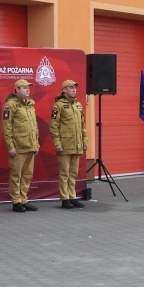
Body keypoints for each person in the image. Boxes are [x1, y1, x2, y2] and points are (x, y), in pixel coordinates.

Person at [2, 79, 40, 212]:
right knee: (16, 175)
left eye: (28, 88)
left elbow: (34, 126)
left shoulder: (30, 105)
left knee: (27, 175)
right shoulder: (10, 105)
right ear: (17, 90)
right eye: (24, 88)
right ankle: (16, 201)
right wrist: (10, 146)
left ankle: (24, 199)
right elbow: (7, 128)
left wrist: (36, 144)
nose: (28, 90)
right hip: (18, 147)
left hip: (30, 146)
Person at [49, 79, 87, 209]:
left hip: (76, 145)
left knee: (73, 174)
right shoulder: (58, 106)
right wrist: (57, 143)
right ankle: (65, 199)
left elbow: (82, 126)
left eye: (74, 88)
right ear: (64, 90)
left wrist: (84, 141)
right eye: (70, 88)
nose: (74, 90)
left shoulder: (78, 105)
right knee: (64, 174)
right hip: (64, 145)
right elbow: (54, 126)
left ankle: (72, 196)